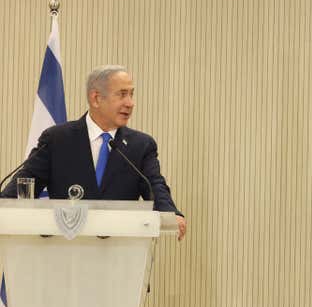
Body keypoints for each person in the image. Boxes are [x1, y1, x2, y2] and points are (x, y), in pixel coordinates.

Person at [1, 65, 187, 240]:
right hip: (65, 253)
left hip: (119, 255)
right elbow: (24, 183)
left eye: (131, 94)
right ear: (96, 98)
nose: (130, 103)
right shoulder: (57, 139)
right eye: (122, 94)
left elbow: (155, 186)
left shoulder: (141, 145)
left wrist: (171, 214)